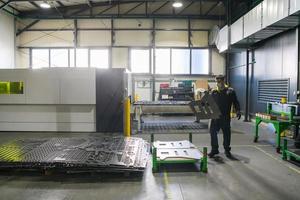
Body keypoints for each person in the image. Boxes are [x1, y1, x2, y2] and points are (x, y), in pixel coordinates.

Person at [209, 75, 241, 158]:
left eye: (220, 81)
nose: (219, 83)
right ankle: (214, 149)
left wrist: (238, 110)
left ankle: (227, 150)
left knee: (226, 133)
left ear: (223, 81)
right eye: (217, 81)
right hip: (215, 117)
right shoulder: (213, 91)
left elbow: (235, 102)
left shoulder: (230, 91)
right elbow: (209, 103)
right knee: (212, 132)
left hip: (225, 117)